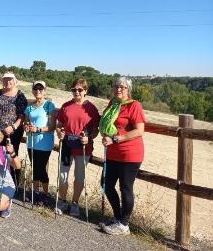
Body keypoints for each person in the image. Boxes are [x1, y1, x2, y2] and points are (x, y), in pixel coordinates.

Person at [99, 76, 145, 235]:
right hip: (112, 152)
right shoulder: (113, 104)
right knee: (106, 184)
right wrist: (106, 136)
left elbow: (139, 130)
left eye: (122, 87)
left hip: (129, 154)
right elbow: (106, 124)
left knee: (125, 188)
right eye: (116, 86)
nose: (118, 89)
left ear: (128, 90)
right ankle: (118, 218)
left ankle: (124, 224)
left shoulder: (134, 106)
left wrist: (116, 138)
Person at [55, 78, 100, 216]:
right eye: (74, 90)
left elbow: (95, 129)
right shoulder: (66, 106)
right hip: (67, 145)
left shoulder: (91, 108)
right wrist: (59, 132)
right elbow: (59, 124)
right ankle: (62, 201)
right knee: (62, 176)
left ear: (85, 91)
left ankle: (75, 203)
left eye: (80, 90)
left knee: (79, 177)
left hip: (83, 147)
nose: (76, 92)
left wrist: (89, 137)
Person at [0, 71, 27, 183]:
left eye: (10, 79)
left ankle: (14, 183)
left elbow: (22, 116)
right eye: (5, 79)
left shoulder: (20, 95)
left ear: (15, 81)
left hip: (13, 132)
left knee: (12, 155)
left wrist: (13, 127)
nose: (8, 82)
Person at [23, 81, 57, 206]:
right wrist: (27, 127)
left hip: (44, 143)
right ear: (33, 90)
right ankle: (36, 192)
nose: (38, 91)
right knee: (34, 168)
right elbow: (26, 123)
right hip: (32, 142)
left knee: (41, 169)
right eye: (36, 88)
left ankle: (46, 194)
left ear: (45, 90)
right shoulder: (29, 107)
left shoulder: (49, 106)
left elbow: (52, 126)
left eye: (41, 89)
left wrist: (38, 129)